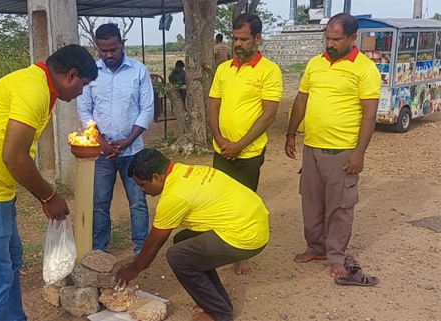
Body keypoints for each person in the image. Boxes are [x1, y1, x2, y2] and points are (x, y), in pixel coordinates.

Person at [0, 45, 98, 320]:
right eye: (82, 84)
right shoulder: (33, 89)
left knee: (11, 262)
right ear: (71, 75)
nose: (81, 93)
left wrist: (44, 198)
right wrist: (49, 196)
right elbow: (14, 157)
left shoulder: (39, 86)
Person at [115, 149, 269, 321]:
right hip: (254, 221)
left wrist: (134, 268)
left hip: (247, 235)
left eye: (142, 184)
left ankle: (219, 314)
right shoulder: (187, 170)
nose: (142, 190)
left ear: (157, 177)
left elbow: (154, 244)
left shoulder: (173, 196)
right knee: (184, 241)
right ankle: (216, 303)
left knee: (178, 256)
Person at [286, 13, 380, 286]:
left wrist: (359, 153)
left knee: (340, 205)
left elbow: (369, 115)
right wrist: (291, 133)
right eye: (327, 37)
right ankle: (316, 248)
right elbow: (301, 100)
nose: (330, 43)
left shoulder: (365, 69)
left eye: (336, 39)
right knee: (311, 200)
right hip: (312, 147)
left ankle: (336, 255)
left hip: (342, 151)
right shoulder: (315, 64)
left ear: (353, 38)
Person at [207, 13, 283, 276]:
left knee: (245, 203)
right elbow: (213, 105)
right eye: (235, 38)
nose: (237, 44)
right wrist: (219, 138)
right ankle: (217, 250)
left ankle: (243, 255)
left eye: (243, 39)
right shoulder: (223, 69)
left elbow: (269, 115)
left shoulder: (269, 71)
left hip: (249, 152)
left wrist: (239, 144)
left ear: (257, 38)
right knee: (218, 203)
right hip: (221, 150)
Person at [77, 23, 154, 255]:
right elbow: (84, 111)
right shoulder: (91, 73)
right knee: (99, 202)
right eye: (103, 51)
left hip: (133, 151)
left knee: (138, 202)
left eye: (113, 49)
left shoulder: (138, 71)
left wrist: (128, 140)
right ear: (97, 49)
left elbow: (147, 109)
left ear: (122, 44)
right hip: (101, 152)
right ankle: (100, 249)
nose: (109, 55)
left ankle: (141, 248)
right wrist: (101, 142)